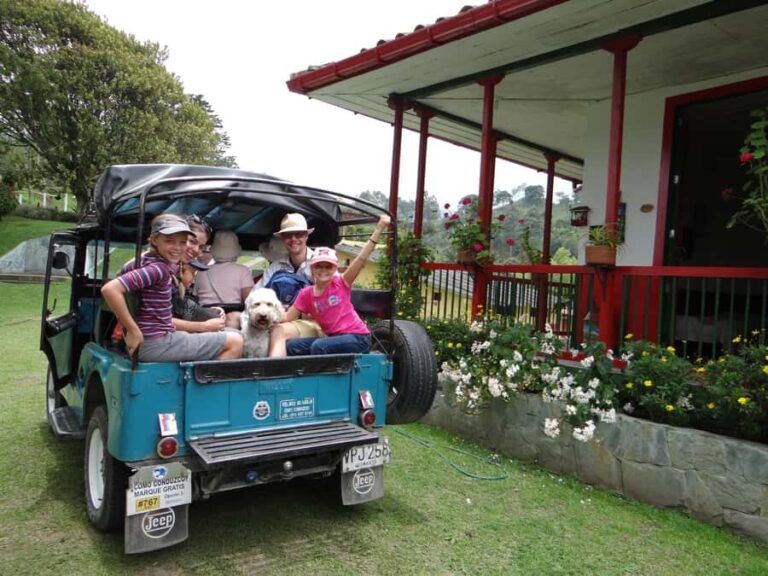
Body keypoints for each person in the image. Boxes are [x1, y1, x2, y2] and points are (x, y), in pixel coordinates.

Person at [101, 214, 243, 361]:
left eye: (182, 242)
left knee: (233, 334)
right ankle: (205, 376)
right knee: (236, 341)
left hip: (158, 337)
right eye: (170, 241)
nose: (178, 247)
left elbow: (121, 278)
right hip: (157, 342)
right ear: (154, 240)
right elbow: (110, 289)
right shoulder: (159, 269)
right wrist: (132, 330)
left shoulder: (143, 261)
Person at [269, 214, 390, 357]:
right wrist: (264, 318)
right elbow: (287, 318)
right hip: (333, 339)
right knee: (293, 346)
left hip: (358, 338)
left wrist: (379, 228)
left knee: (319, 347)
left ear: (334, 269)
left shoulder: (341, 283)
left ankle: (320, 372)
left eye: (328, 266)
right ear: (312, 268)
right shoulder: (306, 294)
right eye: (319, 266)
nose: (323, 271)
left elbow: (361, 258)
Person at [256, 212, 323, 344]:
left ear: (306, 236)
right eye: (288, 235)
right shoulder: (275, 267)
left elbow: (333, 298)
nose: (293, 239)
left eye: (298, 234)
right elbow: (257, 294)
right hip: (280, 319)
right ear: (282, 238)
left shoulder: (321, 263)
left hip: (313, 321)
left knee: (278, 331)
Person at [171, 215, 226, 333]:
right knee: (235, 339)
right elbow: (158, 321)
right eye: (192, 241)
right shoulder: (160, 271)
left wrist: (208, 312)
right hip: (160, 338)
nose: (197, 250)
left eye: (201, 247)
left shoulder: (172, 271)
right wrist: (205, 326)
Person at [193, 230, 253, 328]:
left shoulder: (201, 271)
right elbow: (249, 300)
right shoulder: (243, 270)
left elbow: (195, 296)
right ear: (236, 249)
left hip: (205, 317)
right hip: (233, 319)